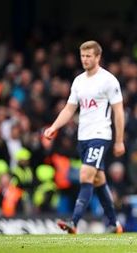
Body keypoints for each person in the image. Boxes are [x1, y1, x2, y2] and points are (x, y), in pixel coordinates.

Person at [44, 40, 125, 234]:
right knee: (98, 179)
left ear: (98, 57)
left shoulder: (108, 80)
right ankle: (115, 224)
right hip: (83, 137)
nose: (85, 59)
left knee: (85, 174)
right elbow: (70, 109)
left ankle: (74, 222)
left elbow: (118, 111)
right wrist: (54, 127)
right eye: (83, 56)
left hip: (100, 134)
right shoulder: (79, 81)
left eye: (89, 56)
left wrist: (119, 140)